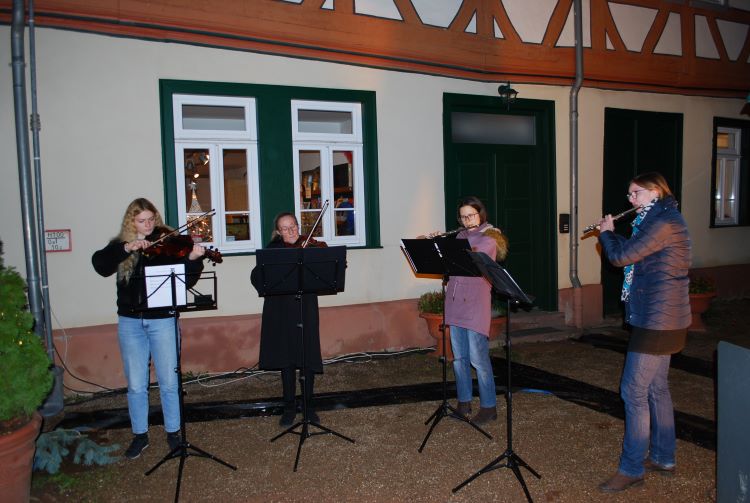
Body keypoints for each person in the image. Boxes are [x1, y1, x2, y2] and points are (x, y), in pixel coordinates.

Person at [596, 172, 691, 492]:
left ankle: (632, 467)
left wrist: (607, 234)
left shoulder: (662, 221)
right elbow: (636, 254)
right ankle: (664, 457)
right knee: (657, 388)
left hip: (658, 319)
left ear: (654, 192)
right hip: (661, 316)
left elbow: (621, 256)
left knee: (633, 391)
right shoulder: (656, 219)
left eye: (635, 194)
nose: (630, 200)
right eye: (629, 195)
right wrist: (613, 237)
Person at [92, 198, 205, 459]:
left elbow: (184, 281)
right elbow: (100, 265)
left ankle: (174, 433)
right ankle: (140, 434)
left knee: (168, 380)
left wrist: (193, 259)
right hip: (130, 322)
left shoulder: (166, 243)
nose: (148, 225)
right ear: (131, 222)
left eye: (151, 220)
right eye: (142, 221)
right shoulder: (120, 246)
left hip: (162, 320)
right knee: (136, 384)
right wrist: (126, 248)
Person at [428, 196, 508, 424]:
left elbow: (472, 256)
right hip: (454, 302)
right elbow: (447, 262)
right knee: (458, 358)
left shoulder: (491, 237)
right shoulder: (460, 236)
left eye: (471, 215)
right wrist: (435, 246)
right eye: (463, 217)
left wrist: (447, 247)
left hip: (474, 303)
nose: (466, 220)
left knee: (478, 358)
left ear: (480, 215)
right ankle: (463, 403)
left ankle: (489, 406)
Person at [250, 212, 326, 427]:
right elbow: (257, 277)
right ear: (278, 232)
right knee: (286, 358)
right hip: (280, 310)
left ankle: (309, 406)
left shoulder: (310, 248)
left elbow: (325, 271)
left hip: (306, 308)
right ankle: (289, 407)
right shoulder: (272, 251)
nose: (291, 231)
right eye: (285, 228)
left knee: (307, 355)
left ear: (298, 226)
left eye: (293, 226)